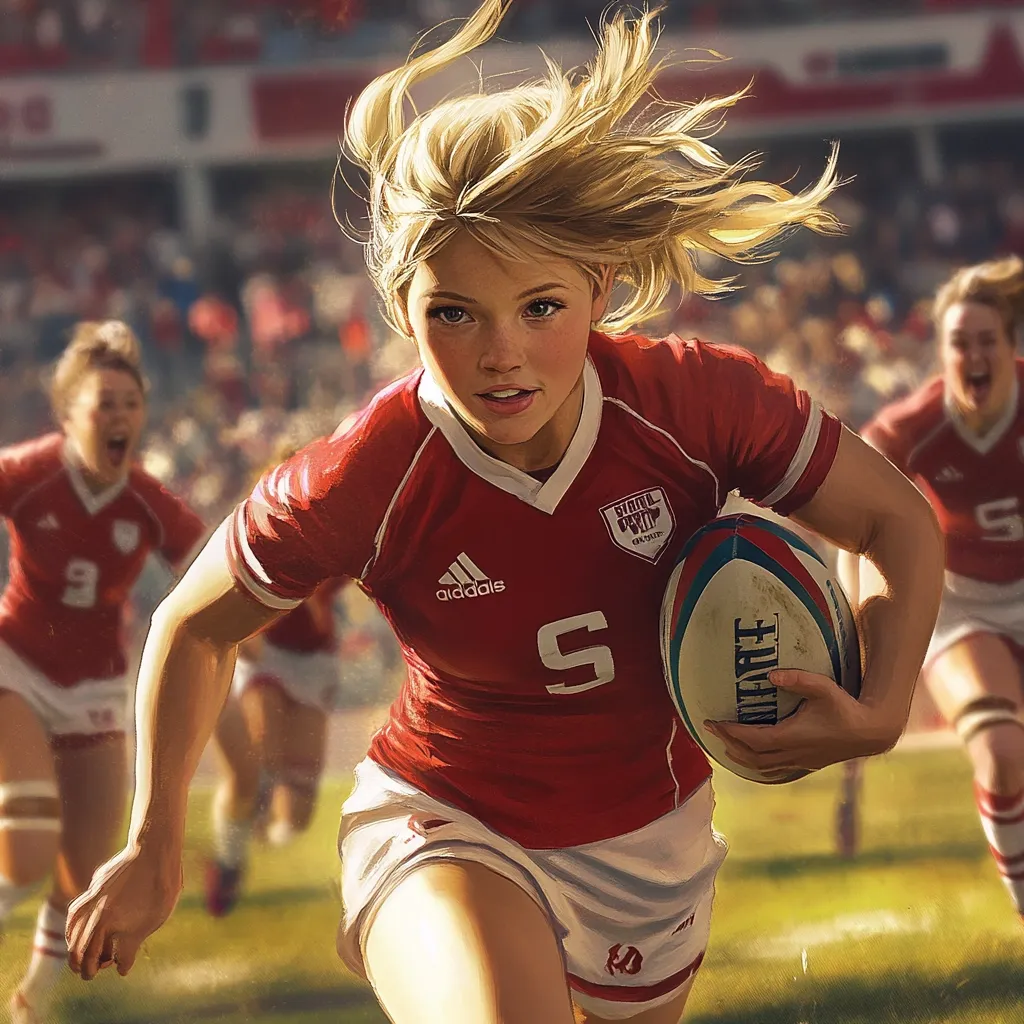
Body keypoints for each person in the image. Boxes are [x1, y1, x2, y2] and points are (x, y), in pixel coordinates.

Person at [65, 3, 944, 1022]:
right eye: (453, 313)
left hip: (648, 846)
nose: (500, 353)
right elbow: (192, 623)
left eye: (539, 306)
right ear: (402, 308)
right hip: (442, 818)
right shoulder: (365, 473)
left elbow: (894, 525)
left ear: (600, 288)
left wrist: (880, 709)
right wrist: (153, 840)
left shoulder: (699, 402)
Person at [0, 321, 205, 1023]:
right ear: (68, 417)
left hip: (93, 687)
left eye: (129, 403)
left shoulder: (146, 500)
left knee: (81, 876)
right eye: (103, 404)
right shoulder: (31, 472)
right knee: (24, 849)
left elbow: (214, 568)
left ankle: (30, 1005)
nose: (119, 417)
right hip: (15, 666)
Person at [837, 255, 1024, 916]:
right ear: (942, 353)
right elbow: (853, 525)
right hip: (964, 602)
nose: (973, 356)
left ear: (1008, 347)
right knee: (1002, 754)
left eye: (985, 342)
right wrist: (863, 622)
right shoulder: (908, 430)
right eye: (958, 344)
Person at [205, 438, 347, 917]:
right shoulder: (255, 528)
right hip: (267, 655)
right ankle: (228, 862)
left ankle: (262, 824)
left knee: (298, 808)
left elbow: (371, 571)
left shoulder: (336, 531)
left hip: (313, 662)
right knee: (260, 754)